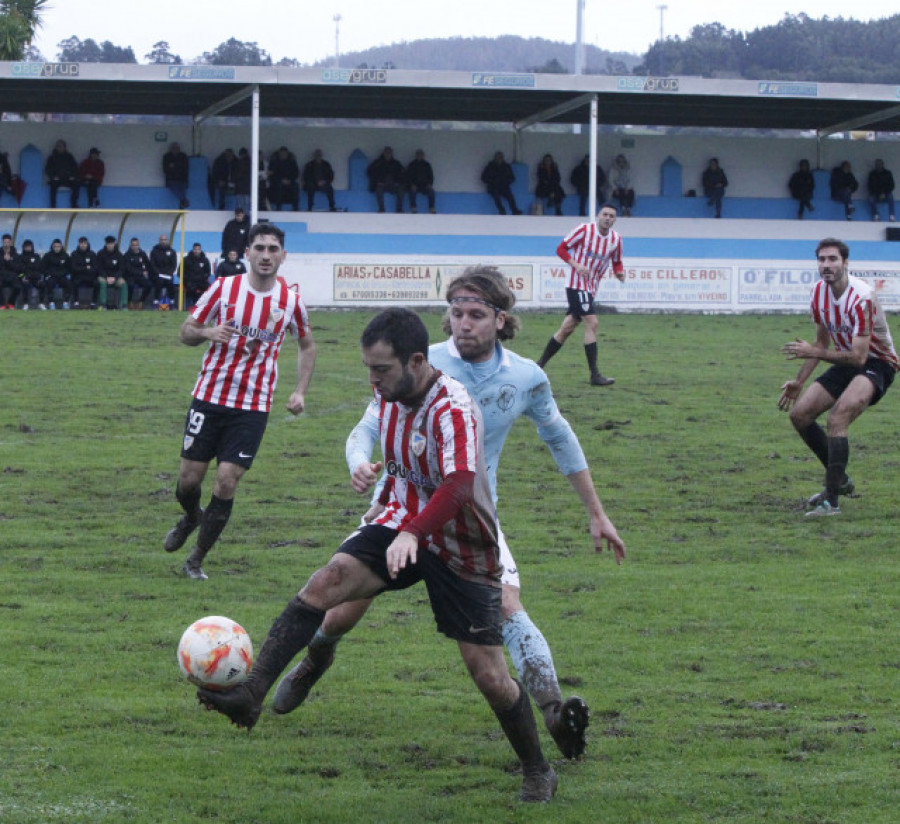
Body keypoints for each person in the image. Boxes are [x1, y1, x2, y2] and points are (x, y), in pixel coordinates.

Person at [196, 307, 558, 804]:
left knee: (491, 677)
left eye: (381, 369)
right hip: (396, 521)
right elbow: (397, 452)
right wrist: (378, 487)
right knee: (326, 582)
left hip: (460, 546)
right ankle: (251, 694)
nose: (373, 379)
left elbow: (458, 485)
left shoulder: (453, 405)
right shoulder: (388, 392)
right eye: (369, 368)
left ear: (414, 361)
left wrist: (413, 532)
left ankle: (538, 770)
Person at [272, 268, 626, 761]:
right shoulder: (417, 360)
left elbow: (560, 439)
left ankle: (554, 712)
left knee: (507, 607)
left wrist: (597, 513)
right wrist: (360, 464)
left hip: (471, 518)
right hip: (399, 507)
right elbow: (366, 426)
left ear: (501, 320)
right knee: (342, 609)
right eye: (457, 313)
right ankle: (315, 659)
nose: (464, 324)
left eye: (477, 315)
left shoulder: (526, 377)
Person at [164, 223, 316, 580]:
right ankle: (191, 516)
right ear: (247, 252)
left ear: (283, 255)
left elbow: (307, 345)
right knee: (189, 481)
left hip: (253, 405)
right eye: (259, 248)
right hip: (209, 397)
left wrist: (300, 391)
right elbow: (185, 330)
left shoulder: (290, 302)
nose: (266, 255)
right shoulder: (224, 288)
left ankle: (196, 560)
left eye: (273, 249)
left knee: (227, 480)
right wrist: (206, 332)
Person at [778, 237, 898, 516]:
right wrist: (799, 381)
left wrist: (812, 352)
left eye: (832, 259)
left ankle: (831, 501)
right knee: (800, 415)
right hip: (846, 359)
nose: (826, 265)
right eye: (821, 260)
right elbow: (820, 345)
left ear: (846, 263)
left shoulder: (862, 297)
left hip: (877, 362)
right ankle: (839, 480)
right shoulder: (818, 293)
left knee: (837, 418)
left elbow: (859, 357)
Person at [536, 203, 625, 386]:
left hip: (591, 287)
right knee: (592, 323)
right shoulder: (584, 230)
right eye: (605, 214)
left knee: (567, 328)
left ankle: (537, 367)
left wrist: (619, 273)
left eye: (611, 216)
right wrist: (577, 266)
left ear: (615, 220)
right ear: (599, 216)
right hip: (576, 284)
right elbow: (561, 249)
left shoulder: (616, 239)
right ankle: (595, 375)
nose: (607, 218)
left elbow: (616, 262)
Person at [481, 150, 521, 215]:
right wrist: (492, 181)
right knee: (496, 197)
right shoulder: (490, 166)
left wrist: (506, 182)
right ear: (495, 158)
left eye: (501, 157)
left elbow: (512, 178)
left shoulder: (506, 167)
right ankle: (501, 210)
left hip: (504, 187)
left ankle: (514, 210)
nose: (499, 159)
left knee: (510, 197)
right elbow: (483, 178)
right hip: (493, 187)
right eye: (498, 157)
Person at [367, 146, 405, 213]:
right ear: (384, 153)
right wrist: (377, 181)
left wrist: (398, 182)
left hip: (393, 185)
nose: (388, 154)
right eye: (386, 153)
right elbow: (370, 172)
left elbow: (402, 173)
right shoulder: (377, 163)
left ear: (392, 154)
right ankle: (381, 209)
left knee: (401, 190)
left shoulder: (396, 163)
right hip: (382, 184)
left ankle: (399, 209)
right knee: (378, 190)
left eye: (389, 153)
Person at [45, 139, 79, 209]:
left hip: (67, 179)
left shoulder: (69, 157)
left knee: (76, 184)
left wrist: (72, 176)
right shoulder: (52, 158)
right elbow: (48, 169)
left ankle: (74, 205)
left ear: (64, 147)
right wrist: (53, 176)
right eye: (57, 146)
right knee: (53, 186)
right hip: (57, 179)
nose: (59, 148)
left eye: (60, 146)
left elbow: (75, 168)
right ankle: (53, 206)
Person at [122, 237, 154, 310]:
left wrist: (146, 271)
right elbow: (128, 268)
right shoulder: (127, 255)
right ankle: (129, 302)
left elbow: (148, 265)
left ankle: (141, 301)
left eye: (136, 245)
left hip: (141, 277)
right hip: (130, 276)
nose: (135, 247)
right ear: (130, 245)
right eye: (133, 245)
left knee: (149, 285)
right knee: (130, 285)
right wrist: (141, 272)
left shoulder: (142, 254)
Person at [97, 235, 126, 310]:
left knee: (123, 283)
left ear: (114, 244)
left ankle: (124, 306)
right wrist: (106, 277)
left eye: (111, 244)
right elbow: (99, 268)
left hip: (115, 277)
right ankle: (103, 305)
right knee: (102, 283)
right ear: (106, 244)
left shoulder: (119, 255)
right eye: (108, 244)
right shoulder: (100, 254)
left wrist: (115, 277)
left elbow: (121, 269)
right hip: (104, 277)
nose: (110, 245)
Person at [150, 234, 178, 309]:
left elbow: (174, 265)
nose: (163, 241)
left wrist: (169, 273)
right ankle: (156, 302)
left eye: (165, 240)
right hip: (157, 274)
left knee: (170, 283)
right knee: (159, 282)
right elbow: (152, 264)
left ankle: (172, 302)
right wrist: (158, 273)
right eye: (162, 240)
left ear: (167, 241)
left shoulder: (172, 251)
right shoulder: (154, 251)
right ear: (159, 241)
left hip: (168, 274)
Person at [41, 238, 71, 310]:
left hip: (62, 276)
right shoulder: (47, 256)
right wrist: (48, 274)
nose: (57, 248)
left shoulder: (65, 256)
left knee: (68, 283)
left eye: (58, 247)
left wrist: (65, 274)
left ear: (61, 247)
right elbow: (43, 268)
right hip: (52, 276)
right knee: (49, 283)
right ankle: (51, 303)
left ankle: (66, 302)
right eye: (55, 247)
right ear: (52, 247)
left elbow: (69, 267)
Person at [69, 236, 99, 308]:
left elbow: (95, 268)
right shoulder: (74, 254)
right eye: (81, 243)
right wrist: (86, 268)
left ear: (87, 244)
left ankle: (93, 302)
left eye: (84, 243)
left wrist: (84, 269)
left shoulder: (92, 254)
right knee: (73, 282)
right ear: (79, 244)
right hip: (78, 276)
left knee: (97, 283)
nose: (83, 245)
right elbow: (74, 268)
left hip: (89, 276)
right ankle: (75, 302)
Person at [268, 146, 300, 212]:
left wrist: (290, 180)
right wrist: (281, 180)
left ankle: (295, 207)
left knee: (296, 186)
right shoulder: (274, 162)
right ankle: (278, 207)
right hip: (277, 182)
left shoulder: (291, 162)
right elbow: (271, 174)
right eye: (281, 154)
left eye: (284, 154)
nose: (283, 155)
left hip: (289, 181)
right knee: (279, 187)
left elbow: (296, 173)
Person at [181, 242, 212, 308]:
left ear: (200, 250)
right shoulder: (186, 260)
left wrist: (202, 278)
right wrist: (187, 279)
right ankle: (188, 306)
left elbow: (208, 272)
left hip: (201, 281)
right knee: (190, 288)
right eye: (195, 249)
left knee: (209, 288)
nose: (196, 251)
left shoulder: (205, 260)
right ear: (193, 250)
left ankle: (206, 307)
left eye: (198, 249)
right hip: (190, 281)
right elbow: (181, 272)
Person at [404, 148, 436, 214]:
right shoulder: (412, 165)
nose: (420, 156)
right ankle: (413, 208)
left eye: (421, 155)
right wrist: (411, 185)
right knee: (412, 191)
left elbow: (431, 176)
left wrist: (430, 184)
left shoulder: (427, 165)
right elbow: (407, 177)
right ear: (416, 156)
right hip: (414, 185)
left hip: (425, 185)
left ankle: (431, 208)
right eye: (418, 155)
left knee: (431, 191)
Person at [162, 142, 190, 209]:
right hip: (171, 179)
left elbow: (185, 168)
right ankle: (183, 201)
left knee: (182, 190)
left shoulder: (183, 156)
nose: (175, 149)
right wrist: (177, 167)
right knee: (175, 188)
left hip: (182, 179)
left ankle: (182, 203)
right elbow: (166, 169)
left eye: (177, 148)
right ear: (171, 149)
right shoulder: (167, 156)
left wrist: (174, 166)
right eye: (174, 148)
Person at [18, 240, 42, 309]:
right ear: (23, 247)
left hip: (35, 277)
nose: (28, 248)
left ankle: (41, 303)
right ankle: (25, 303)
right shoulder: (20, 257)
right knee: (25, 285)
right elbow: (20, 269)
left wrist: (40, 277)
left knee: (43, 284)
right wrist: (22, 277)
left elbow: (39, 267)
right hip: (24, 277)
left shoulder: (36, 256)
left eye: (29, 247)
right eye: (26, 247)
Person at [0, 233, 22, 309]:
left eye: (8, 242)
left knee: (18, 287)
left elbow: (18, 268)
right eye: (4, 242)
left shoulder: (15, 255)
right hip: (1, 275)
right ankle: (2, 304)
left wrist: (9, 261)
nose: (6, 244)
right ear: (2, 242)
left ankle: (10, 303)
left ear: (10, 242)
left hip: (12, 276)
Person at [233, 148, 252, 214]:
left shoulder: (239, 163)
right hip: (248, 189)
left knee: (240, 206)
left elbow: (237, 175)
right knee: (247, 206)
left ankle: (242, 220)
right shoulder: (252, 162)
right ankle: (247, 220)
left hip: (240, 188)